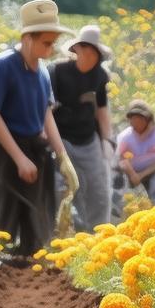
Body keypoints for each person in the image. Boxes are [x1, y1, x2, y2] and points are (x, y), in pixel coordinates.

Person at [0, 0, 79, 256]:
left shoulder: (43, 72)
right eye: (46, 42)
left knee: (38, 211)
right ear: (27, 39)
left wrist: (63, 157)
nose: (51, 48)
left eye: (53, 42)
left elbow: (47, 115)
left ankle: (33, 265)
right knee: (9, 208)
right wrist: (19, 159)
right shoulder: (1, 66)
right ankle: (3, 265)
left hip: (35, 144)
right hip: (6, 145)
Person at [49, 24, 114, 232]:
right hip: (61, 139)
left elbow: (102, 111)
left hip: (89, 140)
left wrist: (107, 141)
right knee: (65, 188)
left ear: (97, 54)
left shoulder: (100, 76)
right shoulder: (57, 72)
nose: (87, 54)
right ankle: (63, 234)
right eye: (83, 48)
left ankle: (98, 235)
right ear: (76, 50)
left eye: (92, 50)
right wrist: (49, 142)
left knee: (100, 192)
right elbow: (46, 110)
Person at [111, 99, 155, 217]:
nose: (135, 121)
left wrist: (141, 175)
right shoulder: (125, 136)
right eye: (132, 118)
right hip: (129, 172)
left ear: (148, 118)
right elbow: (121, 159)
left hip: (152, 170)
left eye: (139, 117)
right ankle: (123, 215)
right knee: (121, 190)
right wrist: (133, 174)